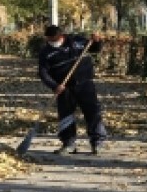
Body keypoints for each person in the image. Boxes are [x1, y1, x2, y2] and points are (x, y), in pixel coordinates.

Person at [38, 25, 107, 155]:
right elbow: (43, 73)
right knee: (66, 115)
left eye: (54, 39)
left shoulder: (77, 41)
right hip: (64, 88)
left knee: (92, 112)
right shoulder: (45, 52)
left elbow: (95, 49)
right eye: (49, 40)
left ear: (61, 36)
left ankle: (97, 142)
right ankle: (68, 143)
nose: (52, 42)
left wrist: (98, 41)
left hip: (85, 84)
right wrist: (54, 85)